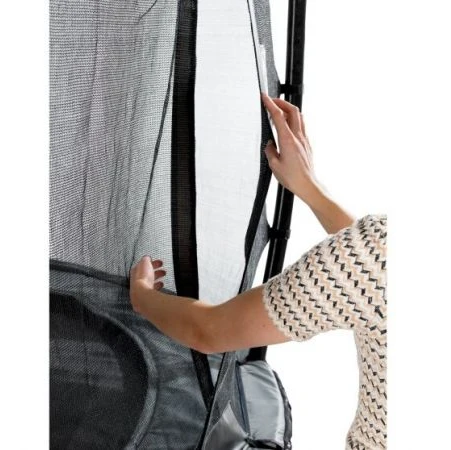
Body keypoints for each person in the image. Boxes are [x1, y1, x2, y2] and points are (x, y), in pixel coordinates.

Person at [129, 93, 387, 450]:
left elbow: (209, 331)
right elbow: (366, 271)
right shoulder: (375, 262)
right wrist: (309, 188)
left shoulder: (377, 259)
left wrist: (142, 297)